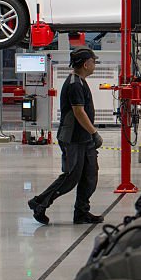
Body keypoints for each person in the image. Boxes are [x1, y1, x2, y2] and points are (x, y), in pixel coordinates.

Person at [28, 48, 104, 225]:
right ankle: (39, 202)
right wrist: (94, 132)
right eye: (94, 61)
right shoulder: (74, 84)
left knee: (90, 176)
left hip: (84, 138)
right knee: (71, 177)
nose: (94, 64)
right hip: (73, 138)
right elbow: (79, 112)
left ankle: (81, 213)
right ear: (86, 64)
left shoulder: (80, 81)